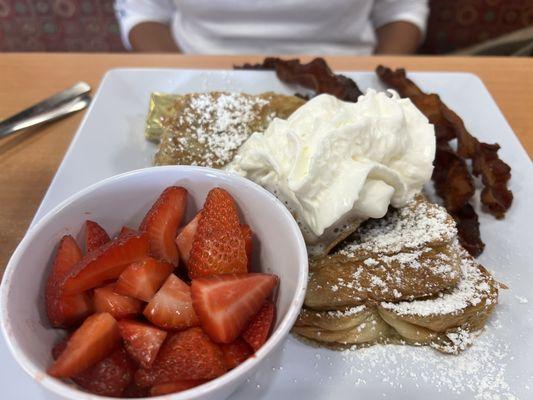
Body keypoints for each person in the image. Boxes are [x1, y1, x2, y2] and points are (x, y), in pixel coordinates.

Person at [115, 0, 428, 55]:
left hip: (348, 71)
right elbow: (143, 10)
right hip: (195, 63)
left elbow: (401, 8)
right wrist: (177, 75)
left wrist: (380, 74)